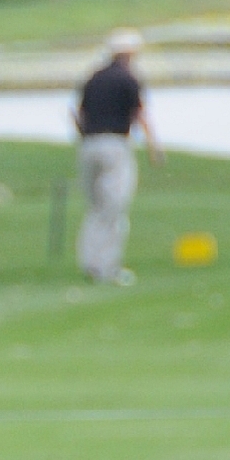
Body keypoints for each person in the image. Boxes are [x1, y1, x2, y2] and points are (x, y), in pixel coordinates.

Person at [74, 28, 164, 285]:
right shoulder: (128, 79)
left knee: (96, 207)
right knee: (114, 208)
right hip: (115, 144)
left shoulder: (93, 78)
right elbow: (140, 114)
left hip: (88, 145)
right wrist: (154, 148)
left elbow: (78, 114)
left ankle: (91, 262)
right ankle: (107, 266)